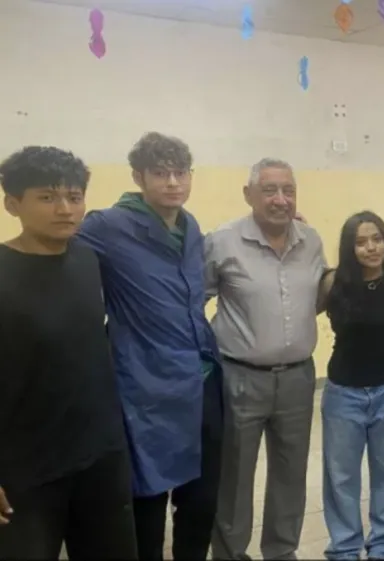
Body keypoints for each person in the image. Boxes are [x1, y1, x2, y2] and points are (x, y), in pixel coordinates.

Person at [76, 132, 224, 561]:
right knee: (148, 500)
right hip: (146, 385)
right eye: (160, 173)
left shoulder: (191, 225)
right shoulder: (107, 225)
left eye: (181, 173)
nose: (172, 182)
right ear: (138, 176)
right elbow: (59, 255)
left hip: (202, 381)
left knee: (201, 499)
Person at [0, 146, 138, 559]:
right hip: (25, 467)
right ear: (13, 204)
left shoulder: (86, 259)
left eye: (74, 197)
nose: (65, 209)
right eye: (47, 197)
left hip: (99, 456)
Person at [207, 158, 326, 560]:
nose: (280, 200)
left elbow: (315, 297)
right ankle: (229, 554)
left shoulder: (311, 240)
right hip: (240, 378)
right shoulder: (222, 241)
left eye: (288, 190)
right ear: (249, 195)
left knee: (291, 476)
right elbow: (193, 302)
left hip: (298, 378)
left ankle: (281, 552)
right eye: (270, 190)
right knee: (235, 476)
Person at [318, 211, 384, 561]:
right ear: (349, 247)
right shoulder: (332, 282)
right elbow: (299, 316)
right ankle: (344, 548)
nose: (371, 247)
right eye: (361, 242)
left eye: (377, 239)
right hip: (343, 393)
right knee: (341, 477)